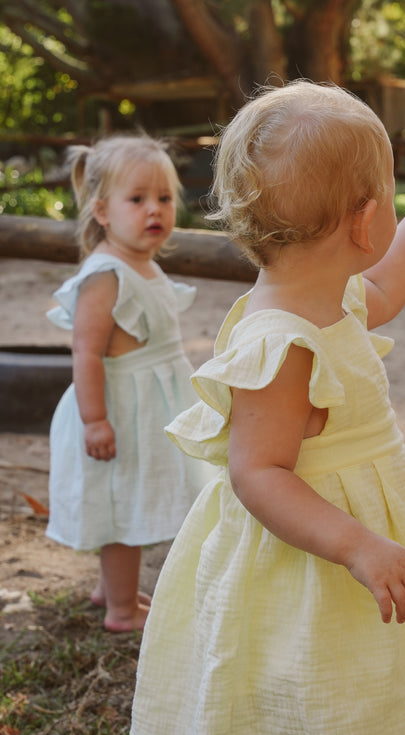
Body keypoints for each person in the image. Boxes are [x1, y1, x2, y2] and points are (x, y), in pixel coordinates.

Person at [130, 81, 405, 735]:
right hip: (302, 575)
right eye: (388, 194)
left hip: (332, 574)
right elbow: (256, 472)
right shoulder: (280, 342)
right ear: (360, 220)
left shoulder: (326, 292)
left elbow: (383, 290)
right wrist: (357, 544)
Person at [46, 133, 209, 633]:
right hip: (118, 411)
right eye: (137, 200)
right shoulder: (105, 275)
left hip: (146, 409)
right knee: (124, 506)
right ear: (102, 211)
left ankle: (108, 589)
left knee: (127, 496)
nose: (154, 210)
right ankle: (121, 610)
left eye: (163, 198)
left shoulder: (144, 265)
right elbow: (86, 351)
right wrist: (95, 420)